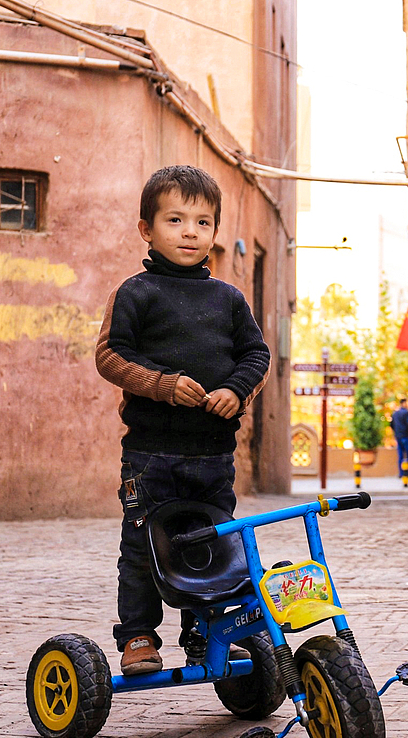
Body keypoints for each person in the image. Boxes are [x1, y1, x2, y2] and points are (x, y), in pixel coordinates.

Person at [94, 165, 270, 676]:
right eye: (175, 220)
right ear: (147, 228)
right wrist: (162, 385)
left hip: (213, 456)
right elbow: (111, 356)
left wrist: (235, 392)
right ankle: (139, 639)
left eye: (202, 222)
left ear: (215, 232)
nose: (189, 232)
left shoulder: (229, 300)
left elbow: (256, 358)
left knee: (214, 546)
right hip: (150, 456)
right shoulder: (136, 293)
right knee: (142, 544)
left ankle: (206, 633)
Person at [391, 398, 408, 483]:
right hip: (405, 436)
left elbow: (392, 424)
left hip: (398, 436)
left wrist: (396, 433)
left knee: (400, 455)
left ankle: (401, 473)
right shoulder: (405, 412)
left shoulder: (395, 413)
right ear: (403, 403)